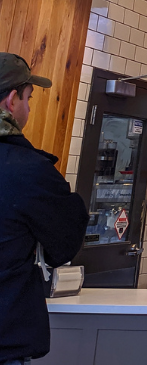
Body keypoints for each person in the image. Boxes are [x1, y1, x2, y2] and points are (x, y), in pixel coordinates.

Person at [0, 53, 89, 365]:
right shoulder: (29, 171)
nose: (27, 107)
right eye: (28, 98)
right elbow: (62, 247)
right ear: (12, 100)